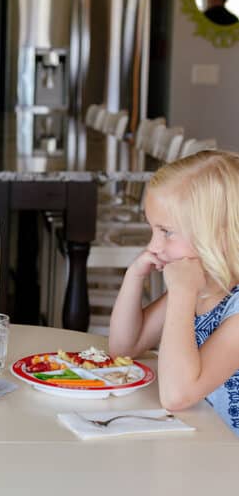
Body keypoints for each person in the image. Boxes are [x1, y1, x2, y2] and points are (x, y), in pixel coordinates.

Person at [108, 150, 239, 435]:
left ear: (217, 234)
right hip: (204, 443)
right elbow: (123, 349)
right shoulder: (202, 286)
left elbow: (176, 395)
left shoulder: (226, 306)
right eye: (152, 229)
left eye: (166, 232)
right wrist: (135, 275)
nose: (153, 245)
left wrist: (180, 293)